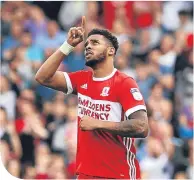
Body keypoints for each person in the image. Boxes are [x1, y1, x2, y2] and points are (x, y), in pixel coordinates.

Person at [35, 16, 149, 179]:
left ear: (111, 50)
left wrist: (98, 123)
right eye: (87, 44)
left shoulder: (124, 83)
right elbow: (43, 77)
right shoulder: (82, 80)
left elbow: (141, 127)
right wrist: (68, 45)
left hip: (118, 173)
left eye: (95, 43)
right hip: (86, 173)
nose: (88, 47)